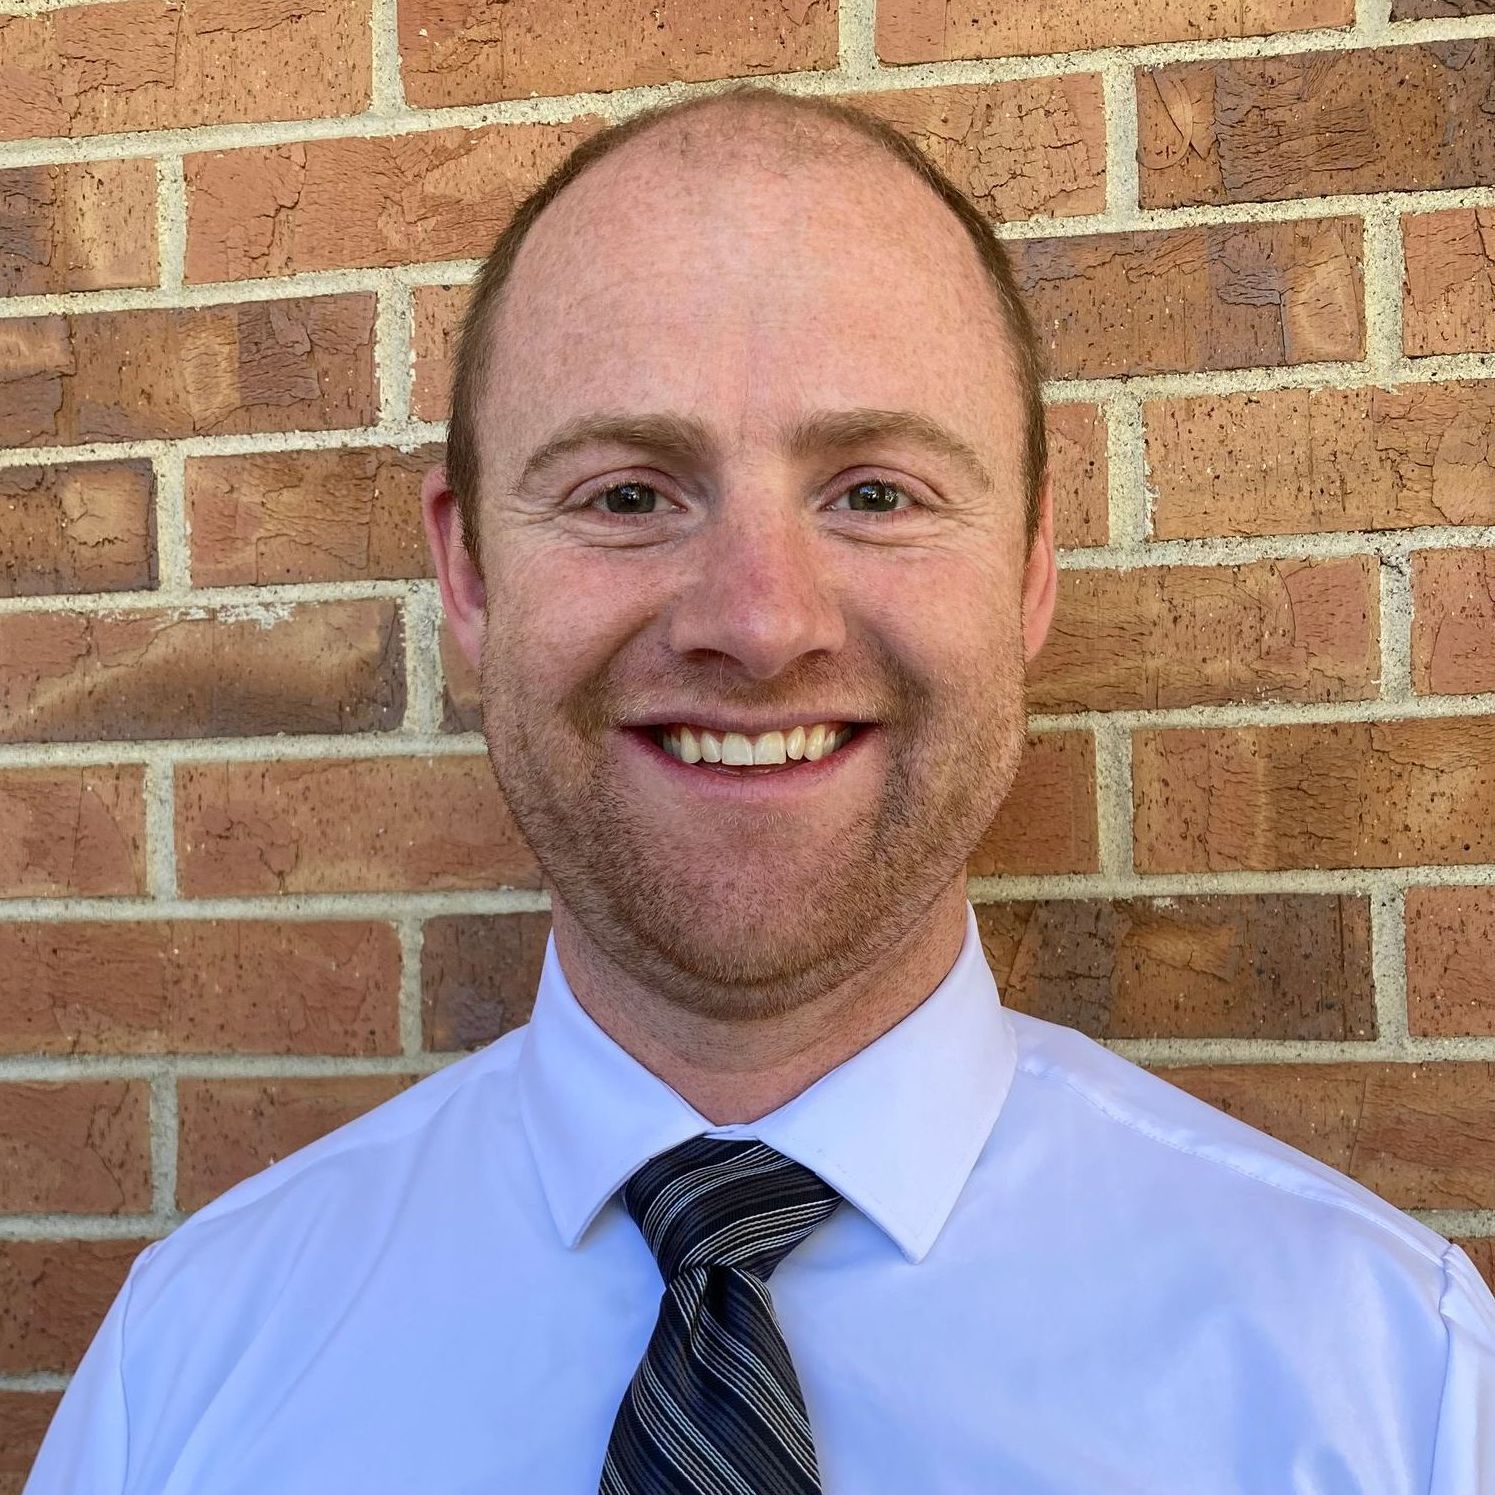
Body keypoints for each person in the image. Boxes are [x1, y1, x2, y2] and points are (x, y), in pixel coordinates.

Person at [26, 84, 1494, 1494]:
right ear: (468, 571)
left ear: (1034, 567)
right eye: (627, 495)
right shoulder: (191, 1368)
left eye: (875, 493)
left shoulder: (1386, 1385)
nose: (761, 617)